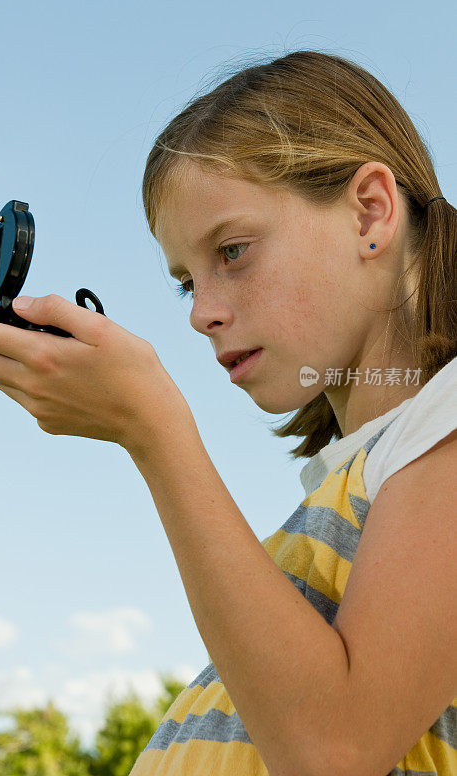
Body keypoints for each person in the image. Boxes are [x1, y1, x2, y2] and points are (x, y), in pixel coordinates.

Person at [129, 50, 457, 776]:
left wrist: (153, 433)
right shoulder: (352, 489)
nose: (202, 313)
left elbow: (331, 750)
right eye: (187, 283)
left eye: (233, 251)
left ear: (369, 211)